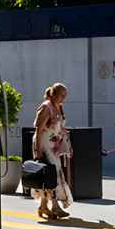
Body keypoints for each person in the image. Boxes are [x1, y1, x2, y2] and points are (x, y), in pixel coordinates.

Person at [33, 82, 74, 220]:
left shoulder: (59, 107)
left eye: (65, 95)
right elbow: (39, 130)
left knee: (49, 174)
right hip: (44, 143)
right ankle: (55, 206)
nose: (64, 98)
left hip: (53, 144)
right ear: (54, 94)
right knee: (52, 173)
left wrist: (65, 142)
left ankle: (44, 206)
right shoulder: (46, 107)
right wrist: (38, 151)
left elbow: (60, 127)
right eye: (62, 95)